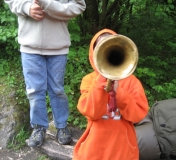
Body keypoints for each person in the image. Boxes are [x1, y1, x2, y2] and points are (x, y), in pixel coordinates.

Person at [4, 0, 86, 147]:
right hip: (30, 47)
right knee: (34, 91)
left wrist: (48, 4)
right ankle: (38, 127)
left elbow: (79, 5)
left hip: (58, 47)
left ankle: (61, 126)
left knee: (57, 90)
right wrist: (26, 7)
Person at [72, 29, 149, 160]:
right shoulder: (89, 80)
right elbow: (91, 112)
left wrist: (120, 93)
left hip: (123, 150)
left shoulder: (132, 82)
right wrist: (99, 85)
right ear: (93, 54)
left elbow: (138, 116)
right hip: (94, 149)